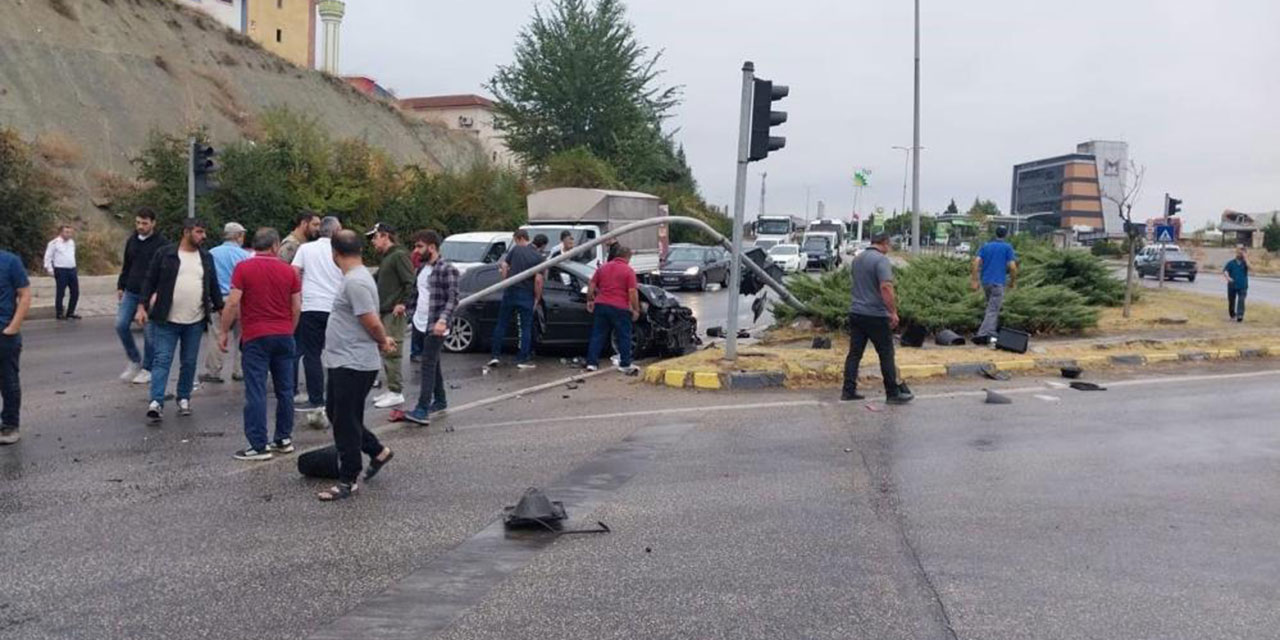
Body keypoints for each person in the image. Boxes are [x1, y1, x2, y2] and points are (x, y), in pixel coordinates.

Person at [316, 230, 395, 501]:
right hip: (345, 360)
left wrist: (383, 340)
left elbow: (370, 320)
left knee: (345, 422)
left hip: (354, 363)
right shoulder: (355, 279)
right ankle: (377, 451)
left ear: (334, 254)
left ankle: (348, 479)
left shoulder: (356, 282)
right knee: (339, 414)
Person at [221, 228, 301, 461]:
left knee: (256, 390)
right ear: (276, 246)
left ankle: (258, 445)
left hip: (255, 336)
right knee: (285, 390)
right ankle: (283, 438)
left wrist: (223, 331)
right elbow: (296, 307)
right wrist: (290, 329)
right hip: (284, 335)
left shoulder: (243, 268)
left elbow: (233, 303)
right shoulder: (289, 271)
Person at [139, 218, 223, 423]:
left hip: (195, 321)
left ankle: (183, 397)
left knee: (189, 362)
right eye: (199, 232)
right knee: (162, 360)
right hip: (166, 319)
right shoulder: (166, 254)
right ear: (186, 232)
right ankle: (156, 401)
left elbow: (212, 285)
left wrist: (221, 310)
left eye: (203, 233)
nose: (203, 236)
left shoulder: (205, 257)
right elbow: (150, 280)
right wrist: (141, 306)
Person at [841, 232, 912, 405]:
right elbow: (886, 287)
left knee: (855, 354)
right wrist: (893, 312)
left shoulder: (858, 259)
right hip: (876, 314)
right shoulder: (881, 260)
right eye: (889, 245)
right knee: (886, 353)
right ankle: (892, 393)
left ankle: (848, 390)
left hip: (857, 312)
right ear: (885, 243)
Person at [403, 230, 459, 426]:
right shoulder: (422, 269)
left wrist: (443, 320)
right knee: (432, 362)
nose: (416, 250)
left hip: (436, 324)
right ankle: (441, 400)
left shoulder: (446, 269)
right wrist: (408, 311)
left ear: (432, 247)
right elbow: (417, 295)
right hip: (421, 323)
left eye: (419, 246)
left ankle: (422, 409)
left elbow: (453, 298)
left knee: (427, 364)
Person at [291, 216, 343, 411]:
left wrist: (298, 295)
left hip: (311, 307)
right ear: (336, 231)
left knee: (311, 354)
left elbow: (294, 271)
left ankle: (316, 399)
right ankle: (337, 397)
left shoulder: (305, 249)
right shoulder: (340, 250)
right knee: (336, 353)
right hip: (336, 308)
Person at [116, 208, 168, 385]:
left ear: (153, 223)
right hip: (131, 291)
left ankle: (148, 368)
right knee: (121, 325)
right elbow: (127, 265)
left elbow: (164, 271)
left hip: (150, 294)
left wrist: (157, 293)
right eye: (138, 222)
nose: (140, 226)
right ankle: (134, 360)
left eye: (144, 223)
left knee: (149, 333)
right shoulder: (132, 240)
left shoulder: (161, 244)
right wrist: (121, 285)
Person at [367, 222, 416, 409]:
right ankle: (391, 389)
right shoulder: (388, 257)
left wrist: (402, 302)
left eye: (375, 236)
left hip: (394, 311)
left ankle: (396, 391)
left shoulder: (399, 256)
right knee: (385, 349)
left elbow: (410, 281)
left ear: (385, 236)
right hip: (384, 310)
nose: (373, 241)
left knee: (392, 350)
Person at [201, 222, 250, 384]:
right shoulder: (244, 256)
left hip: (218, 300)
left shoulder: (212, 253)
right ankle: (240, 370)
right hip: (240, 299)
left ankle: (214, 371)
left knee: (216, 334)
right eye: (242, 235)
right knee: (242, 336)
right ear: (237, 236)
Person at [488, 229, 544, 369]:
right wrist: (537, 298)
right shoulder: (538, 257)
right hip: (526, 294)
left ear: (519, 238)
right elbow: (538, 280)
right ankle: (522, 359)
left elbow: (505, 266)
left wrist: (506, 281)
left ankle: (495, 356)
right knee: (526, 328)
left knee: (501, 324)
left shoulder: (516, 250)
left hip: (511, 291)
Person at [584, 245, 641, 374]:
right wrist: (636, 309)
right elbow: (632, 292)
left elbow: (591, 284)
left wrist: (590, 300)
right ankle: (625, 364)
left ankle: (592, 363)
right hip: (620, 307)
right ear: (628, 257)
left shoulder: (603, 268)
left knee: (597, 334)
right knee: (624, 336)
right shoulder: (628, 271)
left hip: (601, 304)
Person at [0, 250, 31, 445]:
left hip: (4, 332)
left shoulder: (10, 261)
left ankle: (10, 425)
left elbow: (25, 294)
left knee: (8, 381)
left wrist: (13, 327)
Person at [971, 226, 1018, 344]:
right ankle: (982, 334)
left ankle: (991, 334)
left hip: (986, 282)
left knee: (991, 307)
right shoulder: (1007, 247)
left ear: (995, 233)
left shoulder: (986, 246)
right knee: (993, 309)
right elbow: (1012, 267)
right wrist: (1012, 282)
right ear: (1006, 234)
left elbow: (976, 262)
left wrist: (975, 280)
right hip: (998, 282)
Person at [43, 225, 80, 320]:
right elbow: (48, 257)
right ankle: (59, 313)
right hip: (61, 269)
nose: (69, 234)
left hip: (72, 269)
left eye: (70, 232)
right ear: (61, 232)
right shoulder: (54, 243)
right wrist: (50, 269)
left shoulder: (72, 242)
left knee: (75, 292)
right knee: (61, 292)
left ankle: (71, 312)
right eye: (66, 232)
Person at [408, 234, 428, 363]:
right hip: (419, 303)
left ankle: (420, 351)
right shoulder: (417, 259)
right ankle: (416, 351)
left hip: (426, 306)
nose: (416, 249)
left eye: (419, 246)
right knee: (417, 329)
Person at [1224, 246, 1249, 323]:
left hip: (1242, 285)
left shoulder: (1245, 263)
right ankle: (1232, 315)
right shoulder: (1231, 263)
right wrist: (1228, 277)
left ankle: (1240, 315)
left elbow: (1251, 267)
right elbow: (1225, 271)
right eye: (1239, 253)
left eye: (1242, 253)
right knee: (1231, 301)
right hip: (1232, 285)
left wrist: (1245, 258)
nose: (1240, 254)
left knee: (1241, 300)